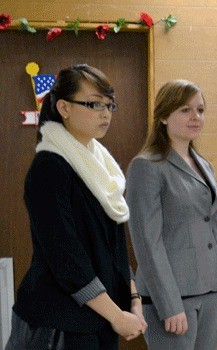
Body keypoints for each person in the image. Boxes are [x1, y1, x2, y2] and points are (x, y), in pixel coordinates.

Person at [6, 64, 147, 350]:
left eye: (110, 105)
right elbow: (66, 257)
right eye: (94, 104)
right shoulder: (49, 167)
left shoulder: (101, 167)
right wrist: (116, 315)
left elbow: (114, 247)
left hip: (100, 319)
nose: (105, 113)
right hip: (59, 322)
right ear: (64, 107)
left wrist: (134, 299)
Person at [126, 80, 217, 350]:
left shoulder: (204, 166)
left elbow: (216, 233)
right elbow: (147, 244)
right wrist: (169, 305)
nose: (196, 117)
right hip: (172, 299)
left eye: (200, 110)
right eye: (185, 110)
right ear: (164, 117)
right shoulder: (146, 166)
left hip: (209, 290)